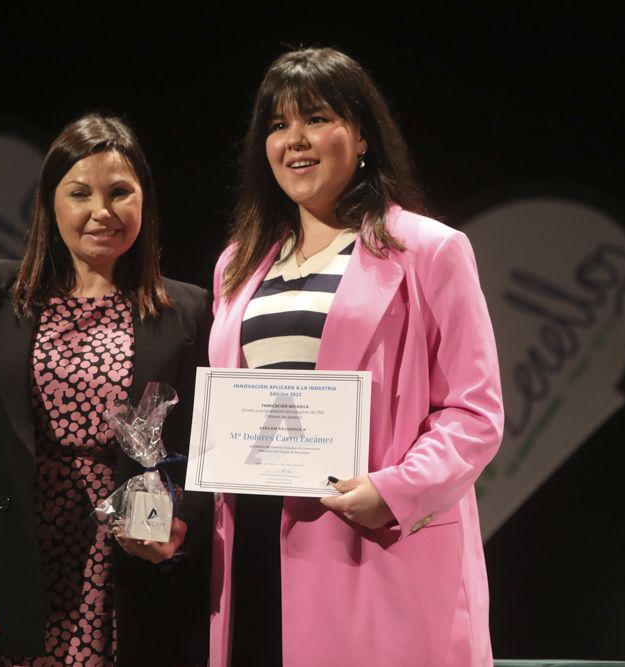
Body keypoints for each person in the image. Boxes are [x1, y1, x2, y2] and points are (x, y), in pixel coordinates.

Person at [208, 47, 505, 666]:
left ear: (363, 134)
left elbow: (474, 413)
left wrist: (394, 490)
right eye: (278, 125)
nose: (295, 141)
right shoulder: (238, 264)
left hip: (375, 547)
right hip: (256, 550)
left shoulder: (430, 250)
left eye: (316, 119)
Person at [0, 113, 211, 666]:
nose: (102, 211)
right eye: (80, 193)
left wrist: (179, 529)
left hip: (128, 575)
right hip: (12, 570)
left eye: (120, 192)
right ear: (50, 205)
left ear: (143, 202)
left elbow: (207, 454)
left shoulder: (187, 310)